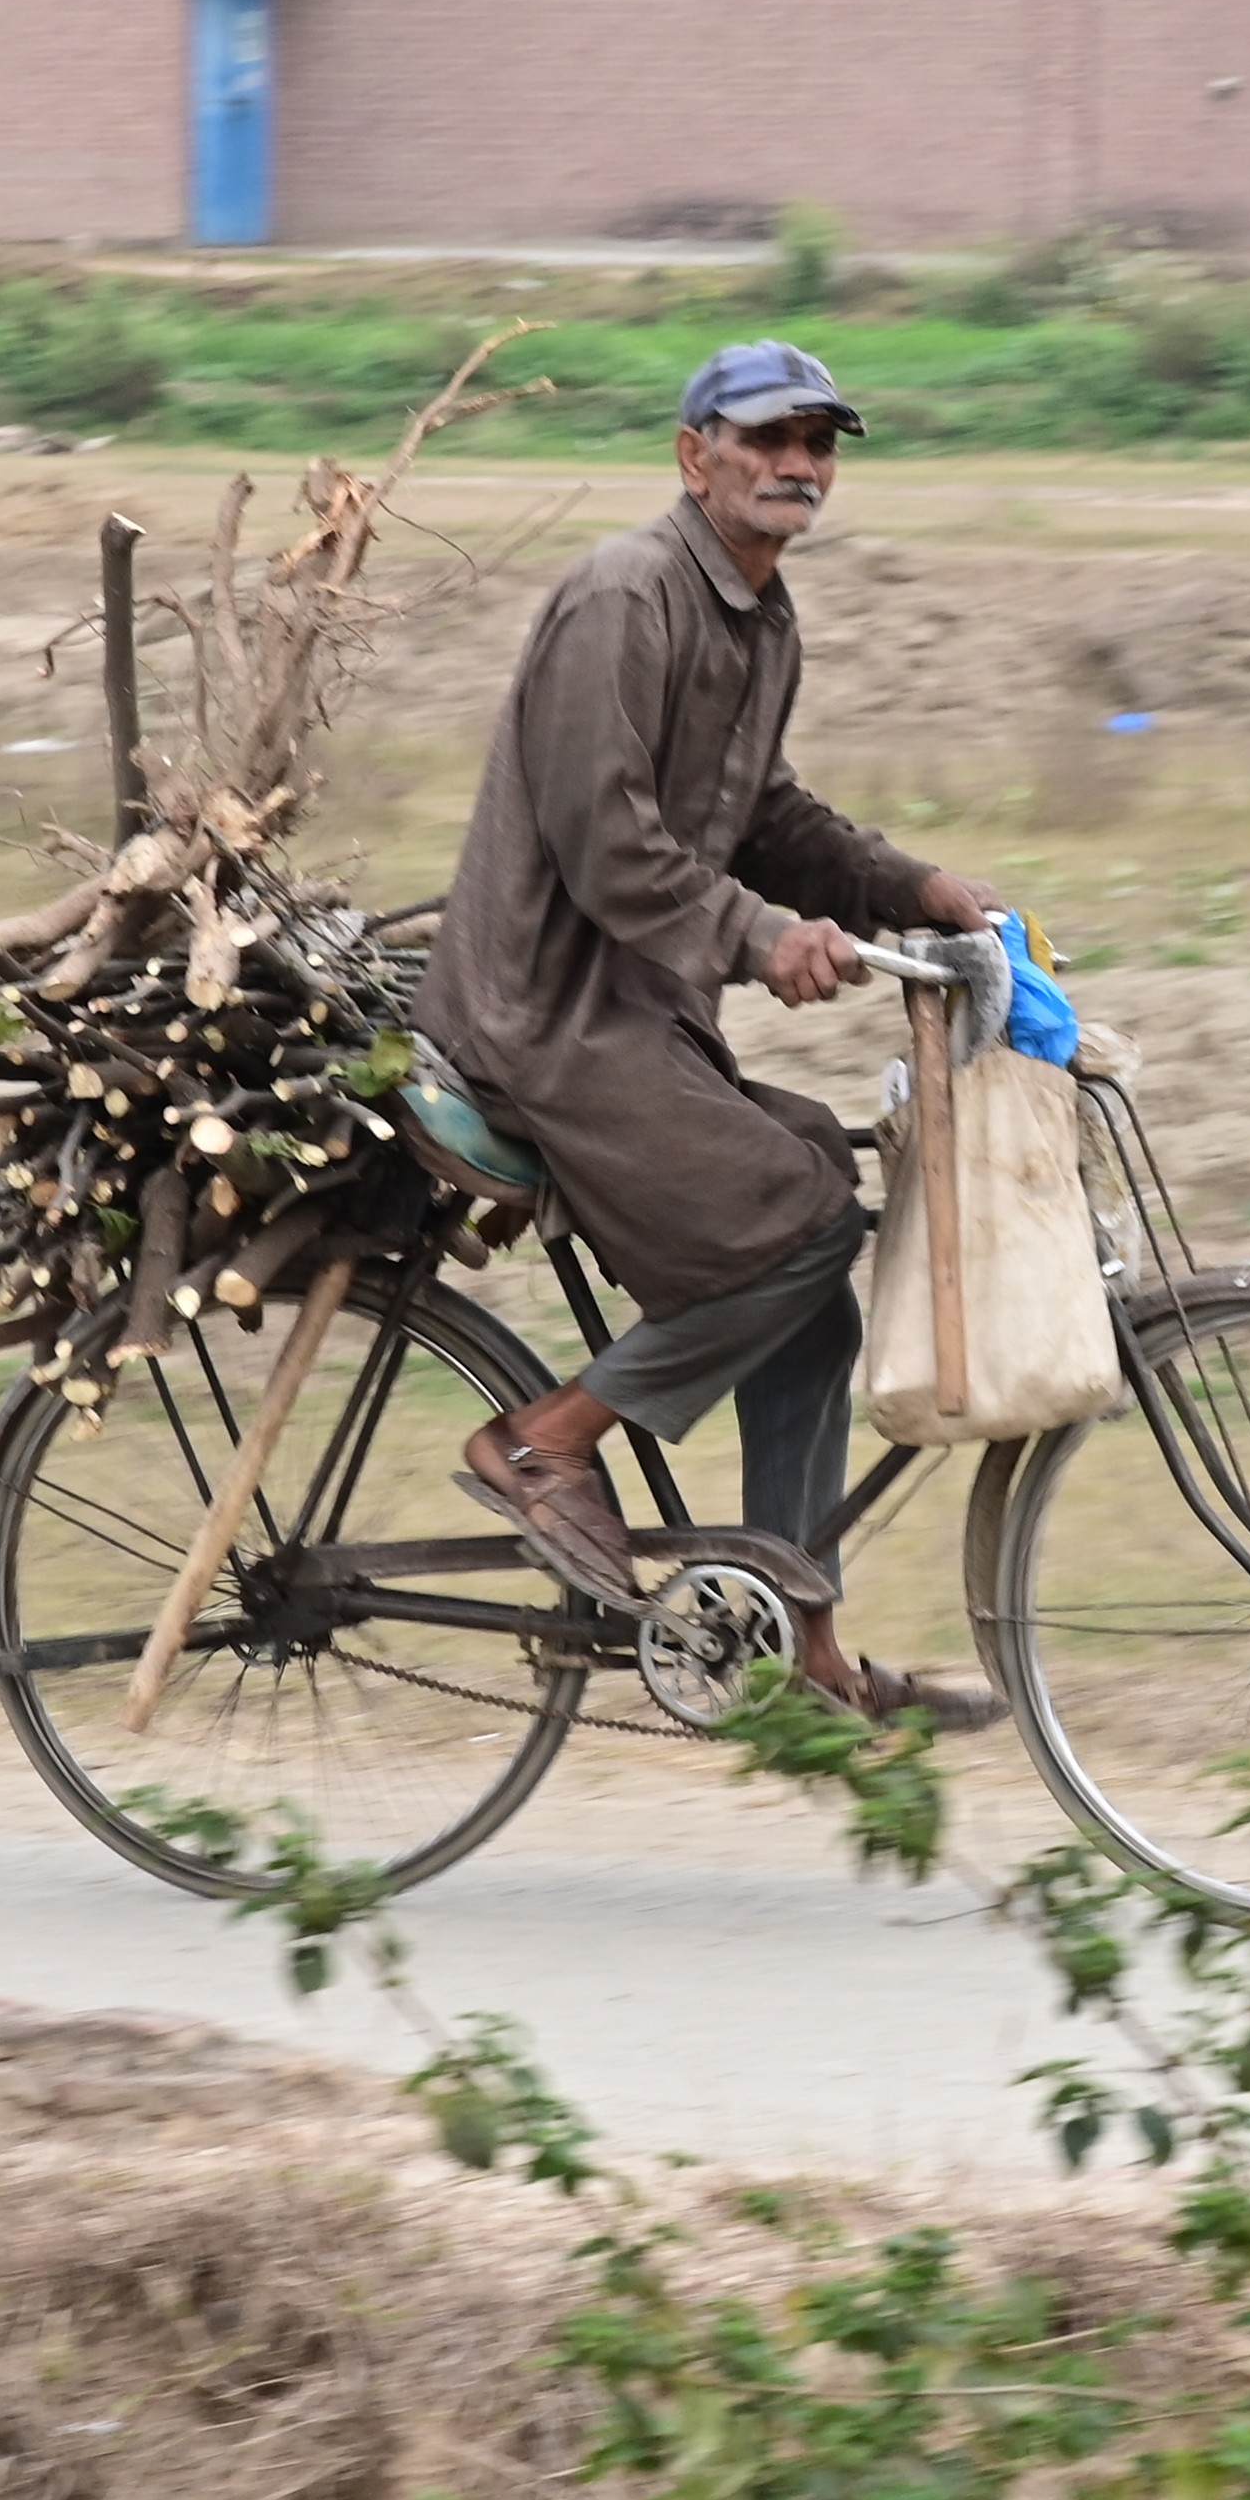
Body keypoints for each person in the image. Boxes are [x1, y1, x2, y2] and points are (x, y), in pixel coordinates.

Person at [415, 339, 1006, 1727]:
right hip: (544, 1014)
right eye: (770, 439)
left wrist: (915, 888)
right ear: (697, 455)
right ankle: (545, 1443)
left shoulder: (761, 617)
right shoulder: (628, 596)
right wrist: (756, 938)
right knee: (801, 1209)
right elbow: (606, 841)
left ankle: (800, 1651)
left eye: (821, 442)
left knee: (811, 1301)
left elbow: (770, 821)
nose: (801, 463)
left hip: (637, 1015)